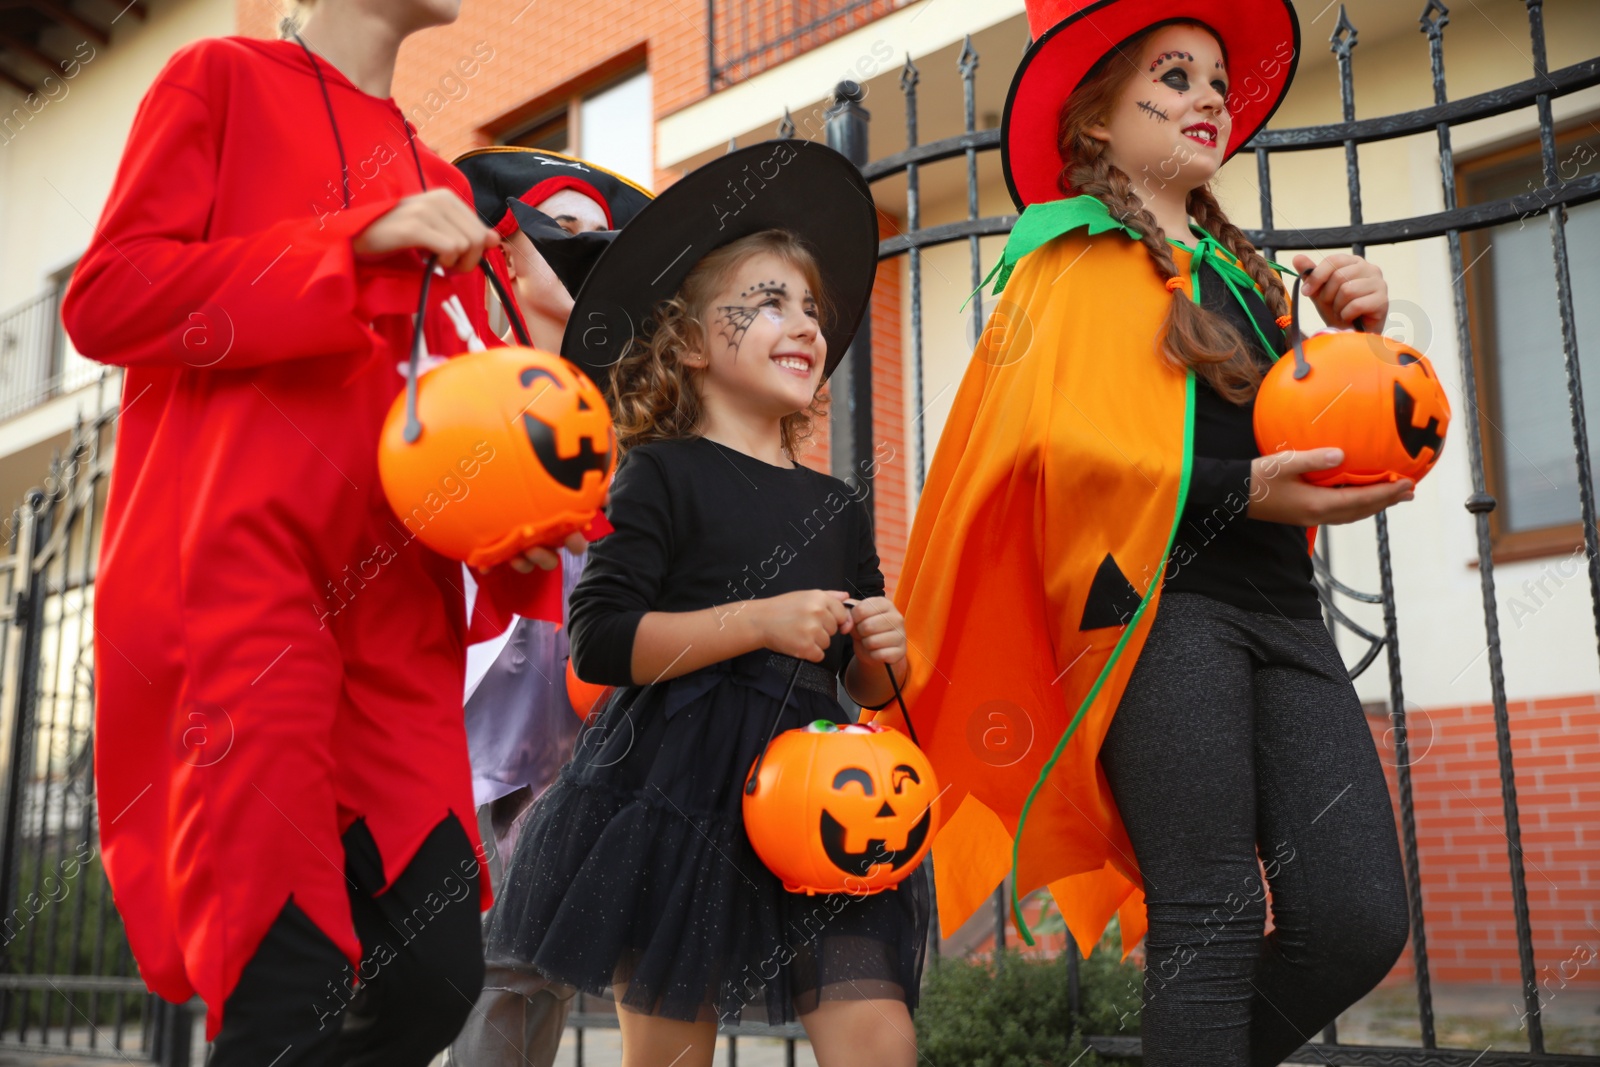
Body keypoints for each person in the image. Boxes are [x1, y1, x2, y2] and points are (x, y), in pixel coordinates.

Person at [59, 1, 590, 1061]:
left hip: (398, 619)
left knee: (433, 976)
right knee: (285, 974)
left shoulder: (442, 180)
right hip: (244, 587)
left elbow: (452, 414)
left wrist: (510, 525)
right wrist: (354, 242)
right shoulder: (214, 80)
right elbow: (107, 300)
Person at [892, 2, 1413, 1064]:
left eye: (1216, 81)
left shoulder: (1247, 275)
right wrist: (1241, 485)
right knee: (1211, 914)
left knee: (1357, 917)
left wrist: (1352, 343)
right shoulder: (1061, 259)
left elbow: (1300, 428)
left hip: (1281, 609)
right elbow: (1055, 458)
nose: (1208, 97)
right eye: (1173, 77)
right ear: (1092, 123)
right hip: (1154, 611)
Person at [485, 140, 930, 1067]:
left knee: (881, 1040)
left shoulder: (835, 504)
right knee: (672, 1055)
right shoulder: (656, 477)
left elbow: (872, 685)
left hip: (821, 798)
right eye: (766, 302)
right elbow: (600, 642)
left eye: (810, 306)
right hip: (675, 795)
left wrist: (884, 649)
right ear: (688, 343)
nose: (803, 322)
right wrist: (758, 624)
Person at [447, 146, 651, 1067]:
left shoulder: (637, 416)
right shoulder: (456, 394)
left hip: (590, 728)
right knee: (489, 972)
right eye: (558, 235)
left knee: (544, 972)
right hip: (477, 728)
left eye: (599, 246)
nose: (583, 257)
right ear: (503, 254)